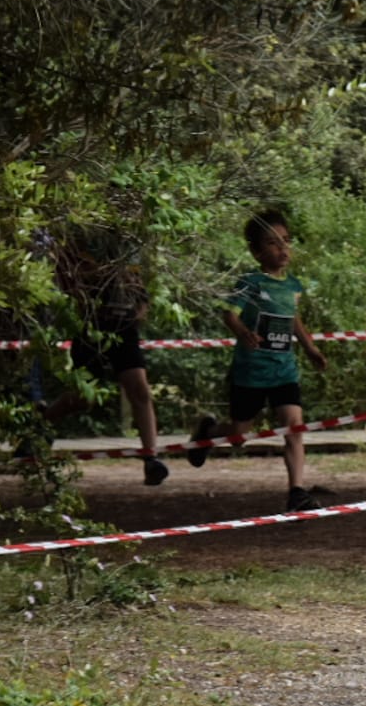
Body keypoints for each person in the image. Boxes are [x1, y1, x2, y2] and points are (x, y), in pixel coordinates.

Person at [187, 208, 329, 512]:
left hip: (283, 370)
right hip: (251, 371)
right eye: (273, 243)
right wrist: (244, 333)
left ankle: (297, 492)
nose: (282, 249)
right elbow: (229, 314)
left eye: (286, 241)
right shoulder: (249, 282)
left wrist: (310, 348)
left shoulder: (292, 286)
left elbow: (293, 319)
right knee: (239, 435)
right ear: (255, 251)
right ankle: (208, 431)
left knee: (294, 425)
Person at [38, 227, 171, 487]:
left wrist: (141, 308)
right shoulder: (80, 240)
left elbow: (142, 285)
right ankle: (39, 426)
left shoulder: (132, 244)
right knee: (82, 398)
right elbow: (65, 278)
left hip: (125, 326)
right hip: (92, 326)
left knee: (140, 390)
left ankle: (150, 459)